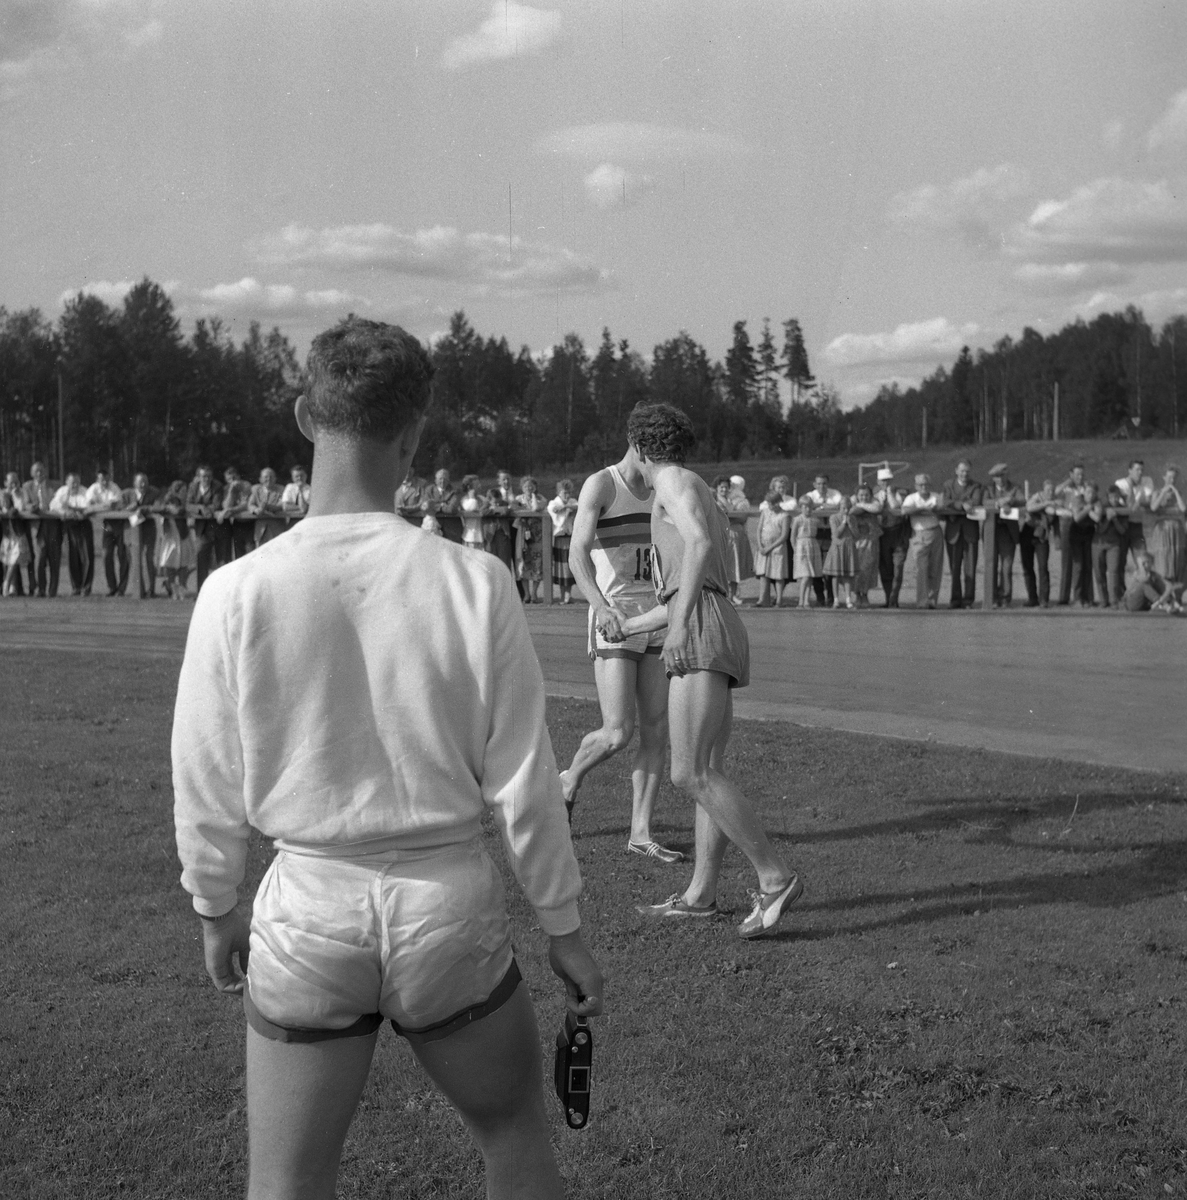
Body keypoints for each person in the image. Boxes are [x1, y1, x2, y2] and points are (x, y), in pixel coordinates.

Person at [172, 317, 602, 1200]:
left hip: (308, 906)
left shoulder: (236, 589)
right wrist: (562, 926)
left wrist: (215, 905)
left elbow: (204, 776)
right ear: (413, 434)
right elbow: (524, 778)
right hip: (445, 905)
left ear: (306, 417)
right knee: (515, 1141)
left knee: (286, 1183)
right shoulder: (474, 580)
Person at [602, 404, 801, 938]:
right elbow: (691, 579)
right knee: (708, 766)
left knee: (688, 772)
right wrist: (633, 624)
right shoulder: (694, 485)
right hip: (714, 618)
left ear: (639, 446)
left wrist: (680, 628)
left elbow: (699, 545)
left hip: (702, 625)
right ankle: (700, 895)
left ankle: (775, 877)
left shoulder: (670, 481)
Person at [561, 440, 682, 862]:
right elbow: (577, 553)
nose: (665, 464)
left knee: (657, 730)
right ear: (638, 447)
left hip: (656, 618)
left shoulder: (666, 488)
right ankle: (568, 779)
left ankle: (640, 833)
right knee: (617, 732)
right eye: (660, 455)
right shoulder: (602, 485)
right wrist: (600, 606)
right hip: (614, 615)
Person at [940, 460, 983, 608]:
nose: (965, 474)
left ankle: (968, 600)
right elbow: (945, 501)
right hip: (953, 532)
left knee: (970, 568)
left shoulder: (976, 486)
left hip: (970, 532)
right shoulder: (948, 485)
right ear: (956, 471)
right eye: (962, 471)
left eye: (967, 471)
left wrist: (958, 503)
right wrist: (961, 504)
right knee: (954, 568)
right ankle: (955, 599)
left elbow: (976, 501)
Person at [902, 474, 944, 608]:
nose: (924, 487)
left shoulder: (936, 496)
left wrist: (934, 509)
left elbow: (942, 510)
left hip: (935, 531)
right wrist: (922, 509)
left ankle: (932, 601)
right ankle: (922, 601)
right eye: (921, 485)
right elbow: (905, 510)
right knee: (921, 568)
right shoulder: (911, 498)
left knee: (935, 568)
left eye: (926, 484)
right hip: (919, 534)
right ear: (916, 486)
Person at [21, 461, 61, 598]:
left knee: (54, 558)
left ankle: (53, 590)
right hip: (37, 526)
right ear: (32, 473)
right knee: (39, 558)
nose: (39, 473)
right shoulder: (27, 486)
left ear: (46, 472)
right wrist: (31, 507)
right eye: (36, 471)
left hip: (53, 525)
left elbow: (59, 502)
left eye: (41, 470)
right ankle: (41, 589)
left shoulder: (55, 485)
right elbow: (25, 503)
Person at [800, 473, 841, 606]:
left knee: (830, 567)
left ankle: (831, 597)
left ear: (828, 484)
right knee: (815, 567)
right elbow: (805, 504)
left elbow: (839, 506)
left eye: (824, 483)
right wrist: (827, 506)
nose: (821, 486)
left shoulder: (835, 494)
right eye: (819, 483)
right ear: (814, 484)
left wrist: (820, 506)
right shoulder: (810, 495)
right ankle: (820, 597)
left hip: (830, 532)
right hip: (815, 533)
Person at [85, 467, 128, 596]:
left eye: (106, 479)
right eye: (101, 480)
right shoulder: (93, 489)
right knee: (106, 556)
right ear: (97, 479)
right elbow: (88, 505)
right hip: (107, 525)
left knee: (122, 556)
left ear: (109, 478)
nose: (104, 482)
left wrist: (97, 507)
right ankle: (112, 587)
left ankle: (121, 589)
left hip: (120, 524)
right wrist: (104, 506)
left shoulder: (114, 488)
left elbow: (113, 505)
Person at [986, 464, 1023, 607]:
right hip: (991, 530)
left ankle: (1005, 597)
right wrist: (997, 503)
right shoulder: (988, 489)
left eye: (1002, 476)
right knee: (991, 565)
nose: (1000, 479)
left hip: (1008, 532)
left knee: (1006, 567)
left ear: (1007, 475)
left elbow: (1022, 500)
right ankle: (993, 597)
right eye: (997, 477)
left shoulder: (1015, 488)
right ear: (993, 478)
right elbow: (983, 501)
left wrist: (1010, 501)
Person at [51, 472, 95, 596]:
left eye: (77, 482)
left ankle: (86, 587)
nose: (75, 485)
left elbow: (87, 507)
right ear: (67, 482)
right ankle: (76, 587)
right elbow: (53, 505)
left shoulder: (85, 491)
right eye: (72, 483)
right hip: (68, 525)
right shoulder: (62, 491)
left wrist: (70, 508)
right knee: (72, 557)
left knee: (87, 556)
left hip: (83, 524)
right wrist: (65, 512)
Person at [753, 477, 791, 608]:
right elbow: (759, 529)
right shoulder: (765, 512)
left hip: (777, 548)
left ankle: (779, 600)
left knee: (778, 575)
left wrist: (770, 547)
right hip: (763, 546)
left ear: (778, 502)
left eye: (773, 503)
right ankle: (762, 600)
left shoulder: (784, 515)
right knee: (763, 574)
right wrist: (760, 545)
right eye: (769, 503)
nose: (770, 506)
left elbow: (784, 535)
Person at [1054, 464, 1089, 604]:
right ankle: (1063, 597)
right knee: (1067, 562)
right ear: (1071, 474)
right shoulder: (1066, 488)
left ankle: (1081, 596)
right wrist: (1068, 481)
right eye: (1077, 474)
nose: (1080, 477)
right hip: (1067, 525)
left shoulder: (1085, 487)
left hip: (1082, 524)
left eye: (1082, 474)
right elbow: (1055, 492)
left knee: (1081, 563)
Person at [185, 465, 223, 592]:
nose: (206, 479)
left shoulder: (217, 486)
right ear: (198, 477)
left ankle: (220, 591)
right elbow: (188, 505)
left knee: (220, 561)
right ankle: (201, 592)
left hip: (217, 528)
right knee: (201, 559)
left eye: (209, 476)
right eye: (203, 476)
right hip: (201, 530)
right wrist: (201, 508)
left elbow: (217, 505)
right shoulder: (193, 487)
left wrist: (208, 510)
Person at [1090, 485, 1129, 608]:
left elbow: (1123, 531)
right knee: (1099, 572)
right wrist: (1107, 519)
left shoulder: (1123, 509)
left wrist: (1115, 519)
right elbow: (1100, 529)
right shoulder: (1101, 507)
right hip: (1098, 543)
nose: (1114, 499)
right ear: (1107, 497)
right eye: (1112, 497)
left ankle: (1113, 600)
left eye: (1117, 497)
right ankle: (1103, 600)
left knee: (1113, 572)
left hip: (1114, 544)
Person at [874, 469, 908, 607]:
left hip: (898, 533)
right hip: (883, 534)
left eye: (888, 480)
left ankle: (894, 599)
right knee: (885, 568)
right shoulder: (875, 495)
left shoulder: (899, 494)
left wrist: (889, 493)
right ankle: (889, 599)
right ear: (878, 481)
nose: (886, 483)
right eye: (883, 480)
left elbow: (895, 506)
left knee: (898, 568)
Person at [122, 472, 160, 597]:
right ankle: (139, 590)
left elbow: (157, 507)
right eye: (140, 482)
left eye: (145, 482)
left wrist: (142, 508)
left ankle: (151, 590)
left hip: (148, 530)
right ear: (134, 484)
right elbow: (119, 508)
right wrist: (130, 507)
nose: (143, 485)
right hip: (131, 530)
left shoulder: (154, 492)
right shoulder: (126, 494)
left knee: (149, 559)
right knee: (134, 560)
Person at [154, 480, 193, 600]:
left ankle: (182, 587)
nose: (185, 493)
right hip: (170, 535)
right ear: (176, 491)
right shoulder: (168, 499)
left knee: (184, 563)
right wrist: (168, 508)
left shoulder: (185, 502)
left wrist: (178, 510)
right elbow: (158, 508)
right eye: (183, 491)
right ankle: (172, 588)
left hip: (183, 535)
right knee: (169, 562)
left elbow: (183, 510)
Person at [1022, 480, 1057, 607]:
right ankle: (1032, 598)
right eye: (1048, 490)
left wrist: (1045, 504)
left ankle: (1044, 599)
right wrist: (1045, 503)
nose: (1050, 492)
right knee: (1027, 567)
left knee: (1043, 567)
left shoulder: (1055, 503)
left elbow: (1051, 512)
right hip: (1027, 535)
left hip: (1042, 537)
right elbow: (1029, 507)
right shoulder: (1038, 499)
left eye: (1052, 490)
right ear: (1043, 490)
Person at [1149, 465, 1185, 586]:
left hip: (1176, 530)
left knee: (1176, 558)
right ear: (1164, 477)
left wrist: (1175, 491)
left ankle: (1177, 590)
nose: (1172, 480)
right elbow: (1153, 507)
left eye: (1174, 478)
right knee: (1163, 559)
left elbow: (1183, 508)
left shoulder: (1178, 494)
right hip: (1163, 530)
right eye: (1169, 477)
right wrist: (1163, 492)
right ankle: (1163, 588)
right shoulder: (1157, 492)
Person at [1115, 459, 1153, 568]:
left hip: (1137, 525)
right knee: (1120, 561)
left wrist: (1139, 502)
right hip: (1123, 525)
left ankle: (1144, 577)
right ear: (1130, 471)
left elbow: (1149, 502)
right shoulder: (1120, 484)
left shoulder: (1147, 481)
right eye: (1137, 470)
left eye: (1142, 470)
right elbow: (1129, 506)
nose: (1140, 473)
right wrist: (1131, 487)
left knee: (1143, 559)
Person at [723, 475, 755, 606]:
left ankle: (733, 594)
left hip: (736, 534)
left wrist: (727, 516)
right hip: (725, 534)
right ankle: (726, 594)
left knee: (734, 566)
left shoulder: (742, 501)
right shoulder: (724, 498)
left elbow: (742, 518)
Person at [514, 476, 546, 603]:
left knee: (537, 563)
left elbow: (536, 508)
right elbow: (515, 510)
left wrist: (533, 496)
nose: (529, 488)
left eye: (531, 486)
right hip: (523, 534)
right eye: (526, 486)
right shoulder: (518, 499)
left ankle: (534, 594)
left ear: (535, 487)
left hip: (537, 535)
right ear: (522, 488)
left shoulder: (541, 498)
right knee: (524, 563)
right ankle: (526, 594)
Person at [823, 493, 858, 609]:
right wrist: (843, 523)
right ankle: (836, 600)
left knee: (847, 575)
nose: (846, 510)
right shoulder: (834, 517)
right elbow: (836, 534)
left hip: (849, 547)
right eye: (843, 508)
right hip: (838, 548)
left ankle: (848, 600)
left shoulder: (853, 518)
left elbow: (857, 535)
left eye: (848, 508)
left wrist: (850, 524)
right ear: (839, 507)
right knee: (836, 575)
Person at [483, 470, 518, 586]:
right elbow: (483, 511)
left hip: (507, 532)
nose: (506, 481)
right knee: (492, 561)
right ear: (498, 481)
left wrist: (497, 509)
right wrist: (496, 510)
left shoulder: (513, 495)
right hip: (491, 535)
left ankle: (508, 587)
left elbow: (508, 510)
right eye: (503, 479)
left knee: (506, 561)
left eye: (508, 479)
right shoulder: (491, 496)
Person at [850, 482, 882, 608]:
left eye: (867, 495)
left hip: (871, 540)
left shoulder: (874, 503)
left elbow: (877, 508)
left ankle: (865, 594)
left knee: (868, 568)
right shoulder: (853, 504)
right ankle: (857, 595)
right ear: (856, 496)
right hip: (857, 540)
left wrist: (861, 505)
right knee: (858, 568)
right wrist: (861, 505)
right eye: (861, 495)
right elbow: (852, 510)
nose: (864, 497)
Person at [547, 478, 579, 603]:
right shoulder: (553, 503)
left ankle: (568, 595)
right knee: (561, 568)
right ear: (559, 492)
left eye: (569, 492)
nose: (567, 495)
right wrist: (566, 510)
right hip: (560, 539)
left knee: (569, 567)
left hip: (570, 538)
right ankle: (562, 595)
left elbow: (577, 506)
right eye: (565, 492)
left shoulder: (573, 502)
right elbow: (554, 512)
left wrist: (567, 507)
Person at [1, 473, 31, 596]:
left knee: (15, 559)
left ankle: (7, 583)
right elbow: (4, 508)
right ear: (5, 483)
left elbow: (21, 507)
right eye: (11, 482)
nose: (14, 484)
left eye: (16, 482)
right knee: (8, 560)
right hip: (7, 532)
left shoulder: (22, 493)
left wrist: (15, 494)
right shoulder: (2, 494)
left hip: (19, 532)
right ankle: (12, 587)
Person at [217, 467, 255, 563]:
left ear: (238, 476)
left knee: (251, 553)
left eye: (234, 478)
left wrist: (230, 510)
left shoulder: (246, 485)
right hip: (237, 523)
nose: (232, 481)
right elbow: (226, 505)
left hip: (249, 523)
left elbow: (246, 505)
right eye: (229, 479)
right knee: (239, 556)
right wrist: (231, 491)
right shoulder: (227, 488)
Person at [791, 498, 821, 609]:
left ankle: (806, 601)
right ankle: (800, 601)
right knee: (805, 575)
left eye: (810, 507)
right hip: (801, 547)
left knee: (810, 576)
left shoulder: (815, 519)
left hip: (812, 546)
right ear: (801, 508)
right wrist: (795, 549)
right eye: (805, 507)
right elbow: (793, 536)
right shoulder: (797, 519)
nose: (808, 509)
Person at [249, 467, 287, 547]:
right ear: (260, 479)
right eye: (266, 477)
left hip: (277, 529)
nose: (268, 479)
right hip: (261, 530)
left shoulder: (281, 489)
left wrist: (267, 507)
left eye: (271, 477)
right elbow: (250, 504)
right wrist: (256, 510)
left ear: (275, 479)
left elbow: (281, 505)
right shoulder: (256, 490)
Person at [458, 474, 487, 550]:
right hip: (470, 537)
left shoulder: (482, 498)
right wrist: (472, 496)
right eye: (477, 485)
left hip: (483, 536)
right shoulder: (464, 500)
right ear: (469, 487)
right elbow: (471, 508)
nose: (480, 486)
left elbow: (487, 505)